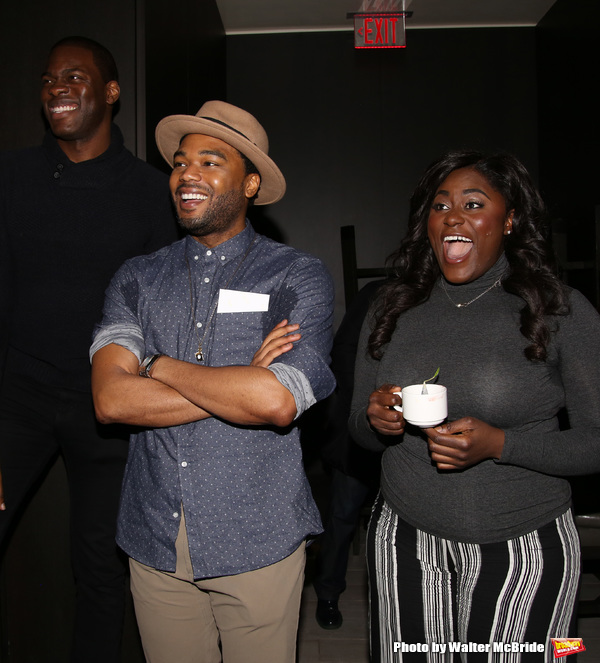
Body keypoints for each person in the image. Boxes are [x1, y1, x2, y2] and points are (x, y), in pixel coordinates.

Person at [90, 100, 335, 663]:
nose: (187, 175)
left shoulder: (295, 276)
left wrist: (155, 363)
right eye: (179, 163)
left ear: (250, 184)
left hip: (259, 539)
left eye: (209, 161)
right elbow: (109, 399)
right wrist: (242, 378)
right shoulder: (137, 278)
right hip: (154, 541)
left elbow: (277, 400)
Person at [348, 150, 600, 662]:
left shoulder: (563, 311)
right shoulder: (391, 306)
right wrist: (378, 421)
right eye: (440, 206)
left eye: (473, 203)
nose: (453, 216)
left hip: (527, 551)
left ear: (509, 220)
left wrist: (499, 445)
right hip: (404, 545)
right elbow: (356, 427)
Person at [0, 36, 176, 662]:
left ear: (110, 91)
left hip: (107, 410)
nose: (56, 89)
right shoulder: (12, 176)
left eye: (74, 77)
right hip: (16, 397)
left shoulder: (154, 193)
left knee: (101, 568)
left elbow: (162, 312)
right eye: (48, 80)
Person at [313, 279, 382, 630]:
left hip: (418, 435)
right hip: (362, 427)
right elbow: (343, 353)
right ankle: (327, 594)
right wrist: (365, 411)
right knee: (342, 514)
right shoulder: (377, 293)